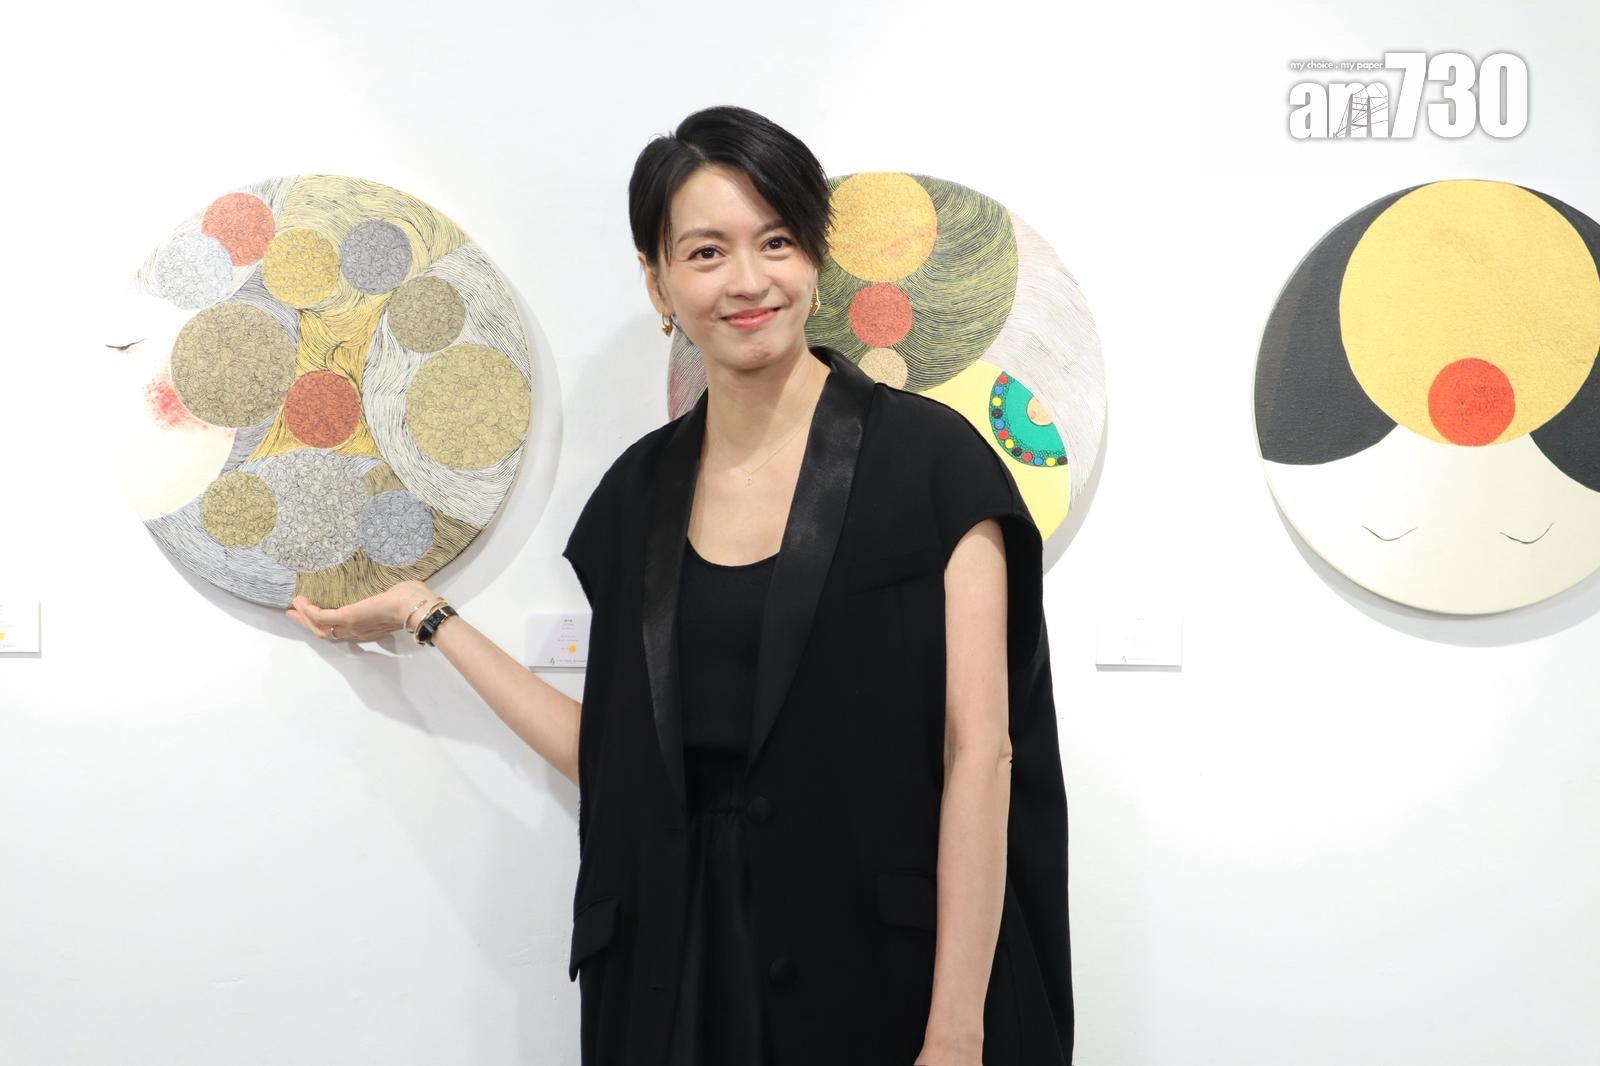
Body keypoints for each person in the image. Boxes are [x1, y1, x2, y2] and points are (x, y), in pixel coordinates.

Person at [288, 105, 1072, 1066]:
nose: (747, 280)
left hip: (880, 980)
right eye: (706, 252)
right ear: (657, 282)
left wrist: (955, 1031)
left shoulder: (933, 465)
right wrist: (427, 614)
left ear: (815, 258)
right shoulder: (637, 498)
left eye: (776, 241)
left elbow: (982, 751)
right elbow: (617, 761)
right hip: (673, 983)